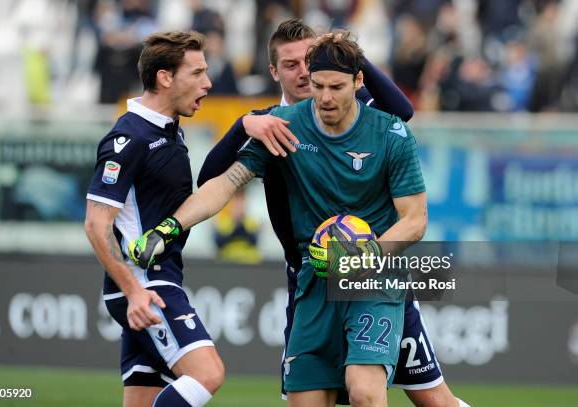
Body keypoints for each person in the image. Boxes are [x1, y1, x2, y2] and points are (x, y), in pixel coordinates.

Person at [129, 31, 427, 406]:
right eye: (318, 86)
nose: (325, 98)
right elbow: (224, 184)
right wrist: (170, 227)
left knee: (366, 391)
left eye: (336, 87)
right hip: (312, 281)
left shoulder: (391, 133)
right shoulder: (285, 125)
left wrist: (365, 257)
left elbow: (414, 220)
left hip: (372, 279)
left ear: (358, 82)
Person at [197, 19, 468, 407]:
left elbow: (403, 112)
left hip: (373, 273)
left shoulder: (354, 107)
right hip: (310, 277)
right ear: (274, 71)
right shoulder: (271, 123)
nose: (304, 72)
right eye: (290, 65)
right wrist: (243, 126)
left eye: (309, 60)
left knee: (428, 398)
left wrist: (349, 53)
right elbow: (213, 180)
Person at [84, 31, 224, 407]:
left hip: (152, 284)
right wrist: (134, 292)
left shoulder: (168, 131)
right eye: (196, 73)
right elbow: (96, 224)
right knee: (208, 373)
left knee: (142, 400)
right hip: (146, 286)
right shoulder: (128, 138)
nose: (207, 83)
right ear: (165, 78)